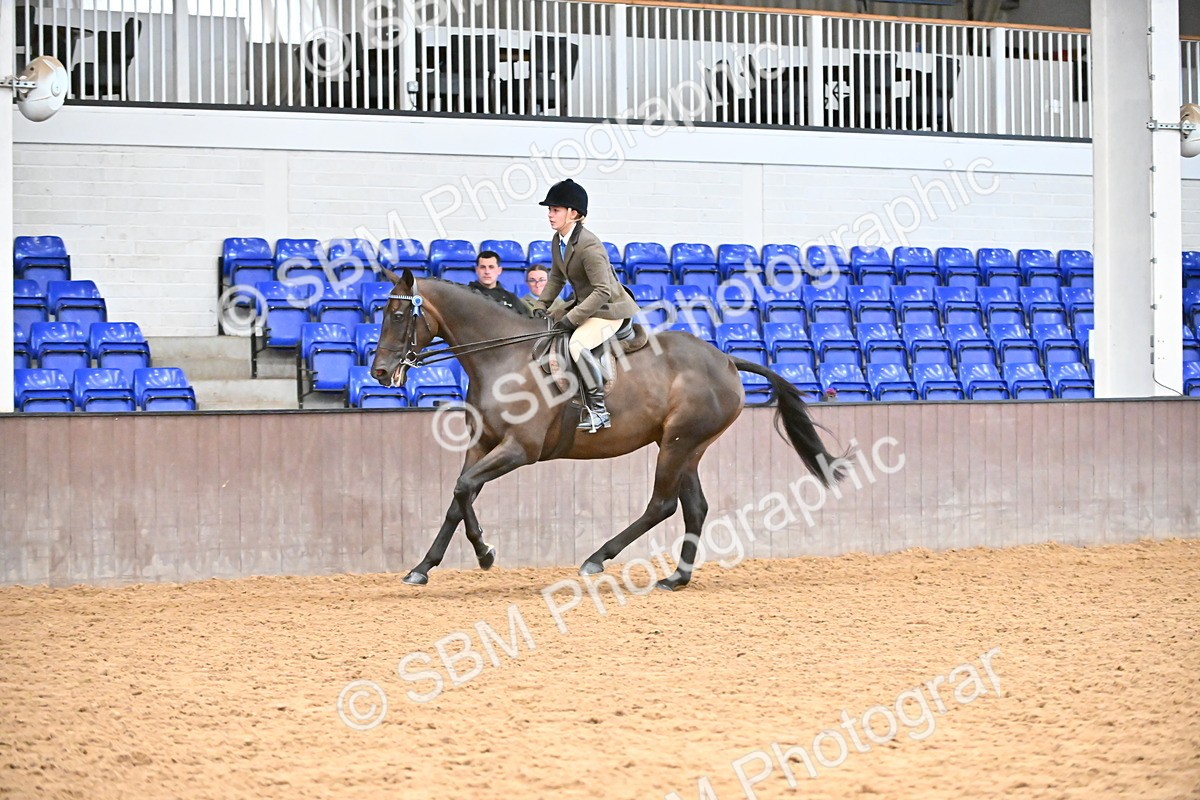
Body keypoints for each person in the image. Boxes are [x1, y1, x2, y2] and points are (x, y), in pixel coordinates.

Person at [529, 178, 639, 432]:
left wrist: (572, 318)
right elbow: (556, 277)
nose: (550, 214)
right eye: (549, 210)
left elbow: (602, 291)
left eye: (555, 210)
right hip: (587, 304)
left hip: (609, 309)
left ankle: (599, 410)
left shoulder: (589, 245)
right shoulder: (558, 240)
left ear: (573, 213)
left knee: (577, 344)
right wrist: (541, 304)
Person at [467, 250, 525, 315]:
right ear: (477, 270)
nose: (487, 272)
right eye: (482, 267)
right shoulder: (466, 295)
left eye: (491, 267)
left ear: (499, 270)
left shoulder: (511, 298)